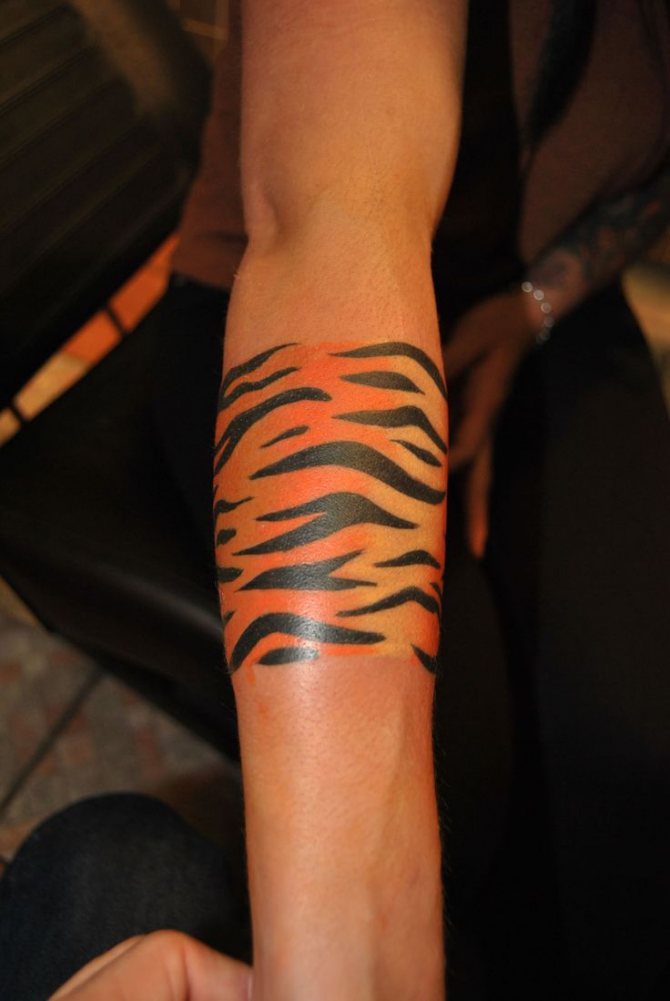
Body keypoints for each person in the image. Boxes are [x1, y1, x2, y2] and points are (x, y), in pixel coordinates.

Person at [1, 1, 668, 998]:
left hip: (532, 294)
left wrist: (531, 309)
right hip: (279, 288)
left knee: (635, 766)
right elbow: (332, 218)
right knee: (472, 775)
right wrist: (354, 945)